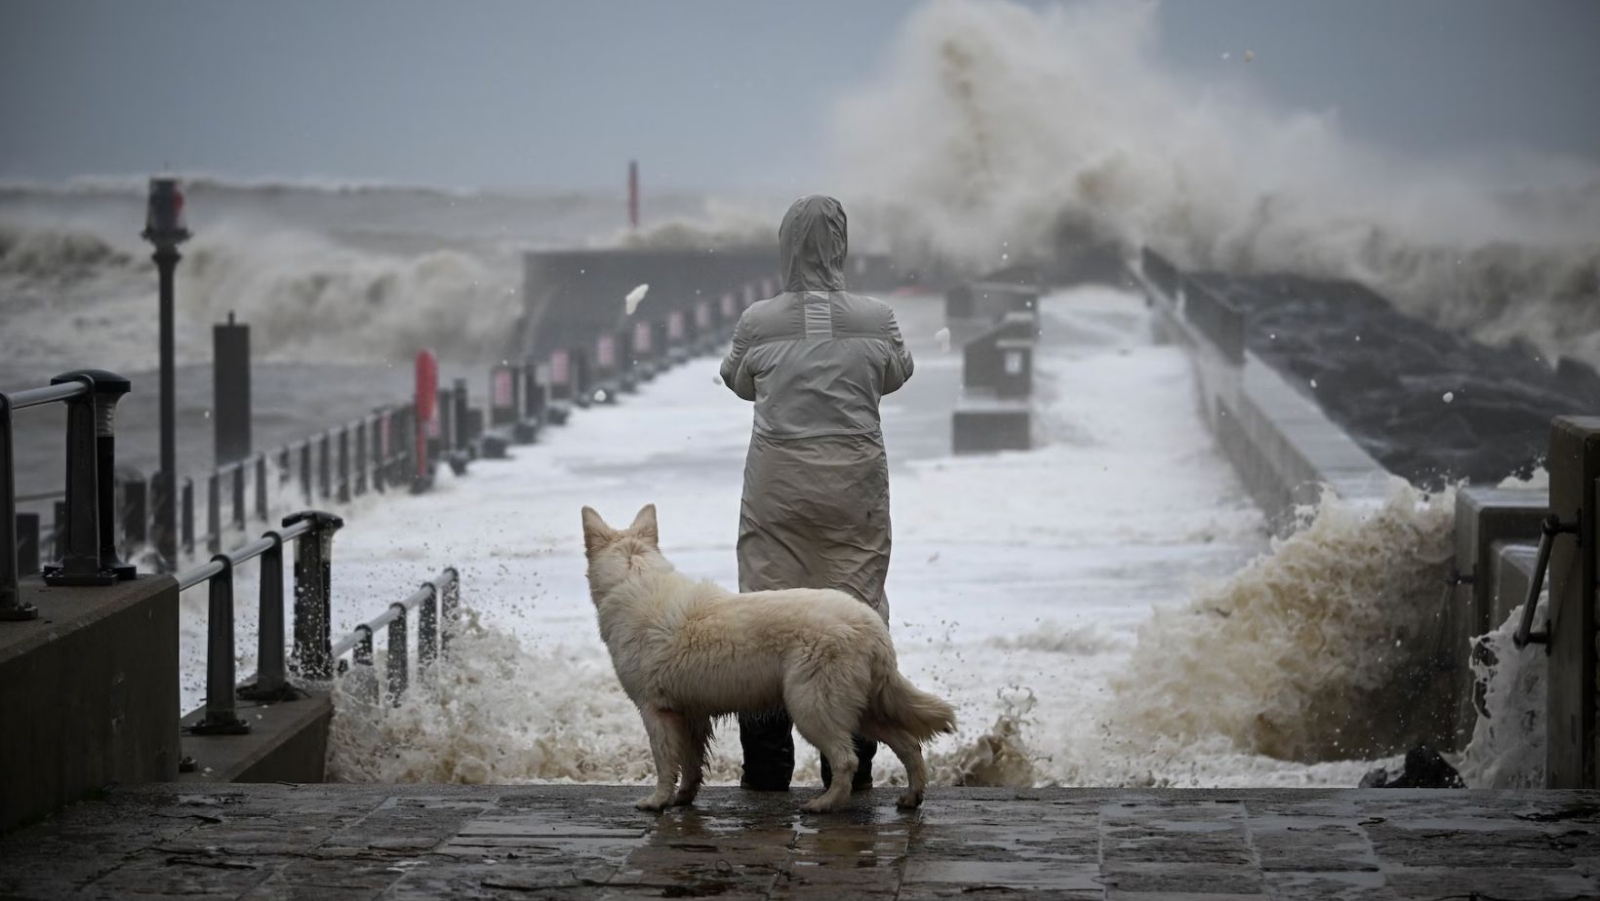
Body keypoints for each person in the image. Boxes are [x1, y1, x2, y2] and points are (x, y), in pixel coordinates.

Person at [718, 194, 915, 792]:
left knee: (766, 619)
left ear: (786, 247)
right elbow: (897, 374)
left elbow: (737, 380)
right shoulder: (877, 317)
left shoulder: (758, 319)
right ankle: (849, 776)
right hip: (853, 485)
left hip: (780, 488)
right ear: (841, 246)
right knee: (853, 617)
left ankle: (768, 772)